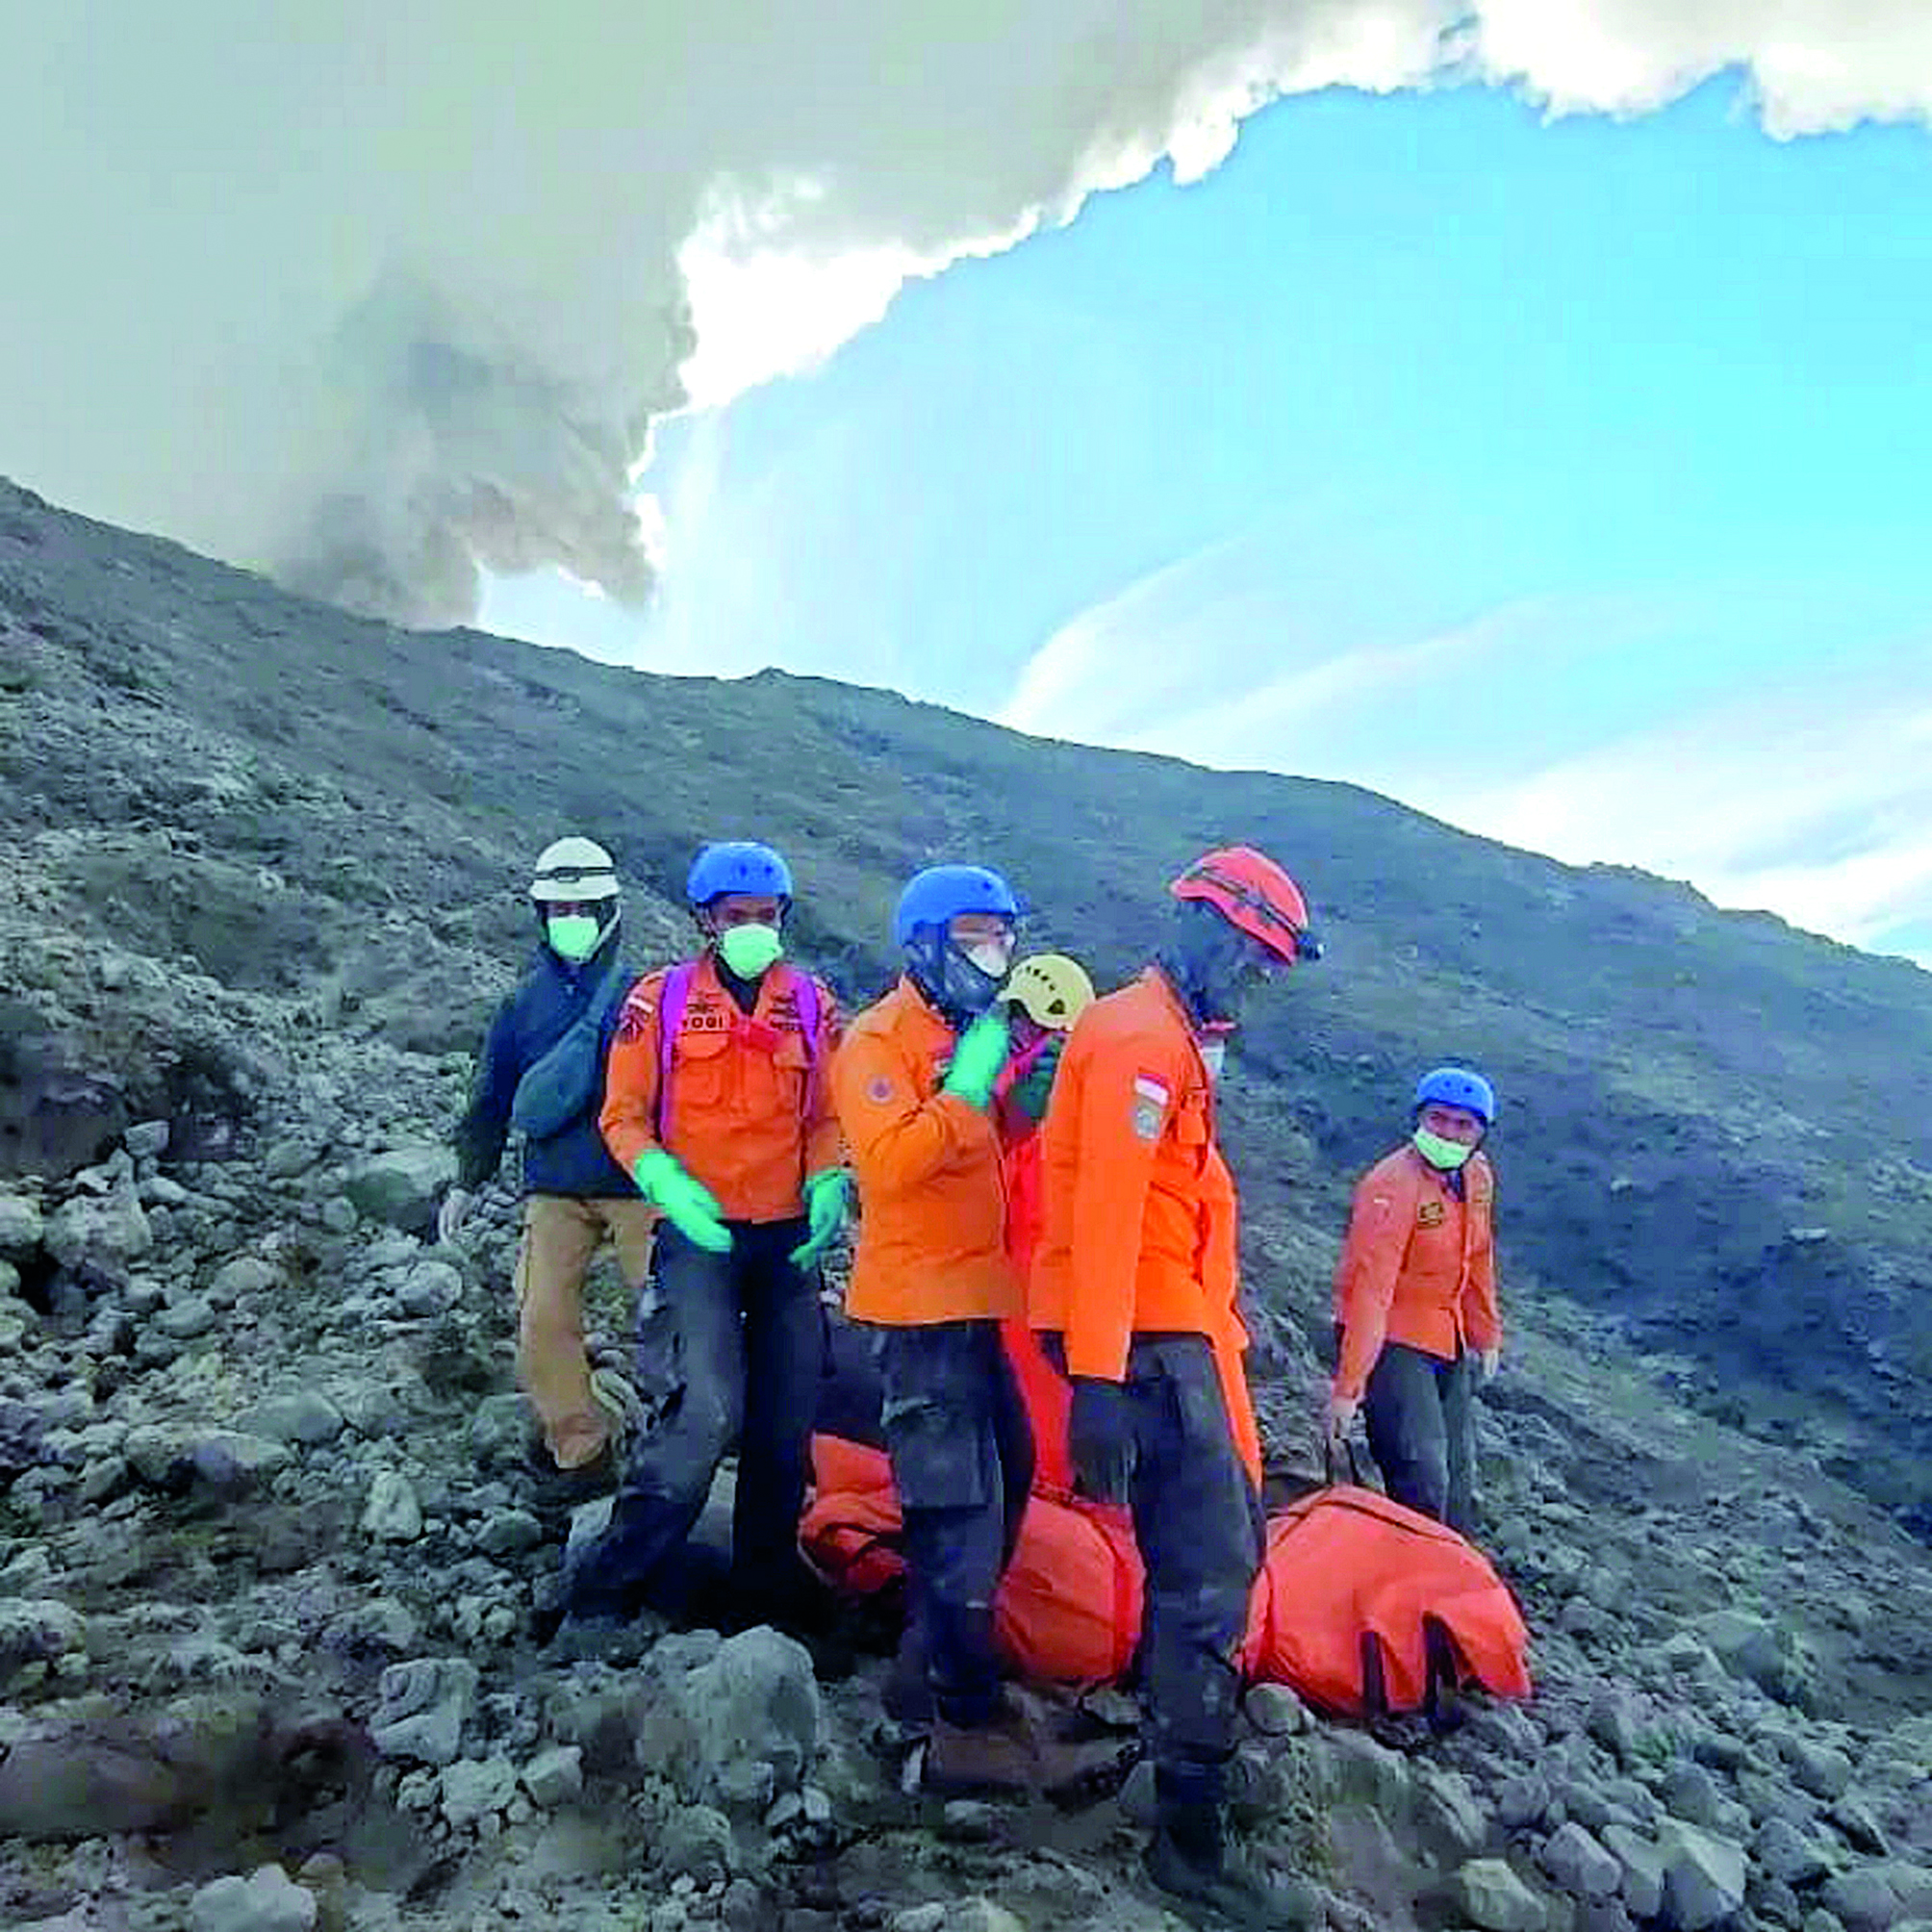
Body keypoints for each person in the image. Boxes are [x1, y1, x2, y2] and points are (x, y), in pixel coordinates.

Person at [1030, 846, 1321, 1923]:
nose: (1252, 979)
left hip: (1165, 1333)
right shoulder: (1143, 1044)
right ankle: (1186, 1844)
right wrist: (1098, 1377)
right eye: (1251, 955)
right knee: (1208, 1571)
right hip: (1148, 1339)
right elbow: (1106, 1215)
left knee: (1208, 1552)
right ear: (1209, 925)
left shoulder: (1159, 1039)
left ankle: (1174, 1759)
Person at [559, 840, 846, 1628]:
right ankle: (605, 1593)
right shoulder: (663, 1002)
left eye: (766, 915)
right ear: (706, 921)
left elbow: (825, 1117)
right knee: (704, 1414)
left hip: (788, 1242)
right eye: (737, 916)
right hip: (699, 1240)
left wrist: (828, 1176)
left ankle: (761, 1605)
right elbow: (622, 1115)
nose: (754, 927)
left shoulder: (814, 1005)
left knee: (785, 1429)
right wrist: (664, 1183)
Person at [830, 863, 1043, 1790]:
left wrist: (1026, 1093)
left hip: (975, 1305)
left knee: (1014, 1478)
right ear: (925, 945)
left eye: (1002, 937)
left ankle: (924, 1676)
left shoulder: (975, 1036)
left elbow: (999, 1151)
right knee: (956, 1514)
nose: (993, 954)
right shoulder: (875, 1042)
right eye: (974, 937)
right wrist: (964, 1094)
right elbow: (890, 1166)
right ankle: (963, 1724)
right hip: (918, 1315)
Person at [442, 836, 651, 1499]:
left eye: (585, 906)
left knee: (677, 1314)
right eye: (561, 908)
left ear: (610, 908)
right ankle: (580, 1451)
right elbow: (492, 1094)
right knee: (540, 1318)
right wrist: (466, 1178)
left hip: (642, 1186)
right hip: (555, 1190)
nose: (573, 919)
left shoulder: (652, 995)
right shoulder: (522, 1006)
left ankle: (691, 1436)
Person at [1329, 1066, 1500, 1539]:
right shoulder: (1392, 1186)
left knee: (1458, 1483)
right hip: (1388, 1340)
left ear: (1481, 1133)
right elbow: (1371, 1290)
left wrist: (1485, 1334)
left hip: (1446, 1339)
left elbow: (1479, 1255)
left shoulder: (1477, 1178)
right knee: (1422, 1476)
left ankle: (1456, 1583)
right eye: (1438, 1119)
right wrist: (1349, 1387)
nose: (1447, 1132)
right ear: (1418, 1118)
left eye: (1462, 1125)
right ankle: (1411, 1584)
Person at [993, 953, 1098, 1496]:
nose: (1025, 1036)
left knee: (1047, 1419)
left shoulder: (1069, 1119)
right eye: (1021, 1021)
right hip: (1006, 1293)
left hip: (1048, 1300)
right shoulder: (997, 1094)